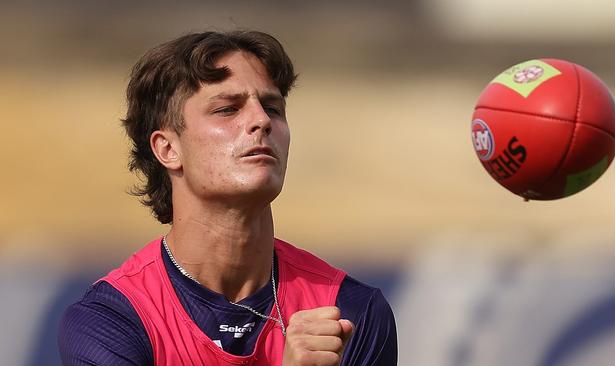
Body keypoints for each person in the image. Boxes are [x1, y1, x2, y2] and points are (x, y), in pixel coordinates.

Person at [58, 30, 398, 365]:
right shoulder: (112, 320)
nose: (261, 120)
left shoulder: (349, 310)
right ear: (168, 148)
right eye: (227, 109)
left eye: (272, 108)